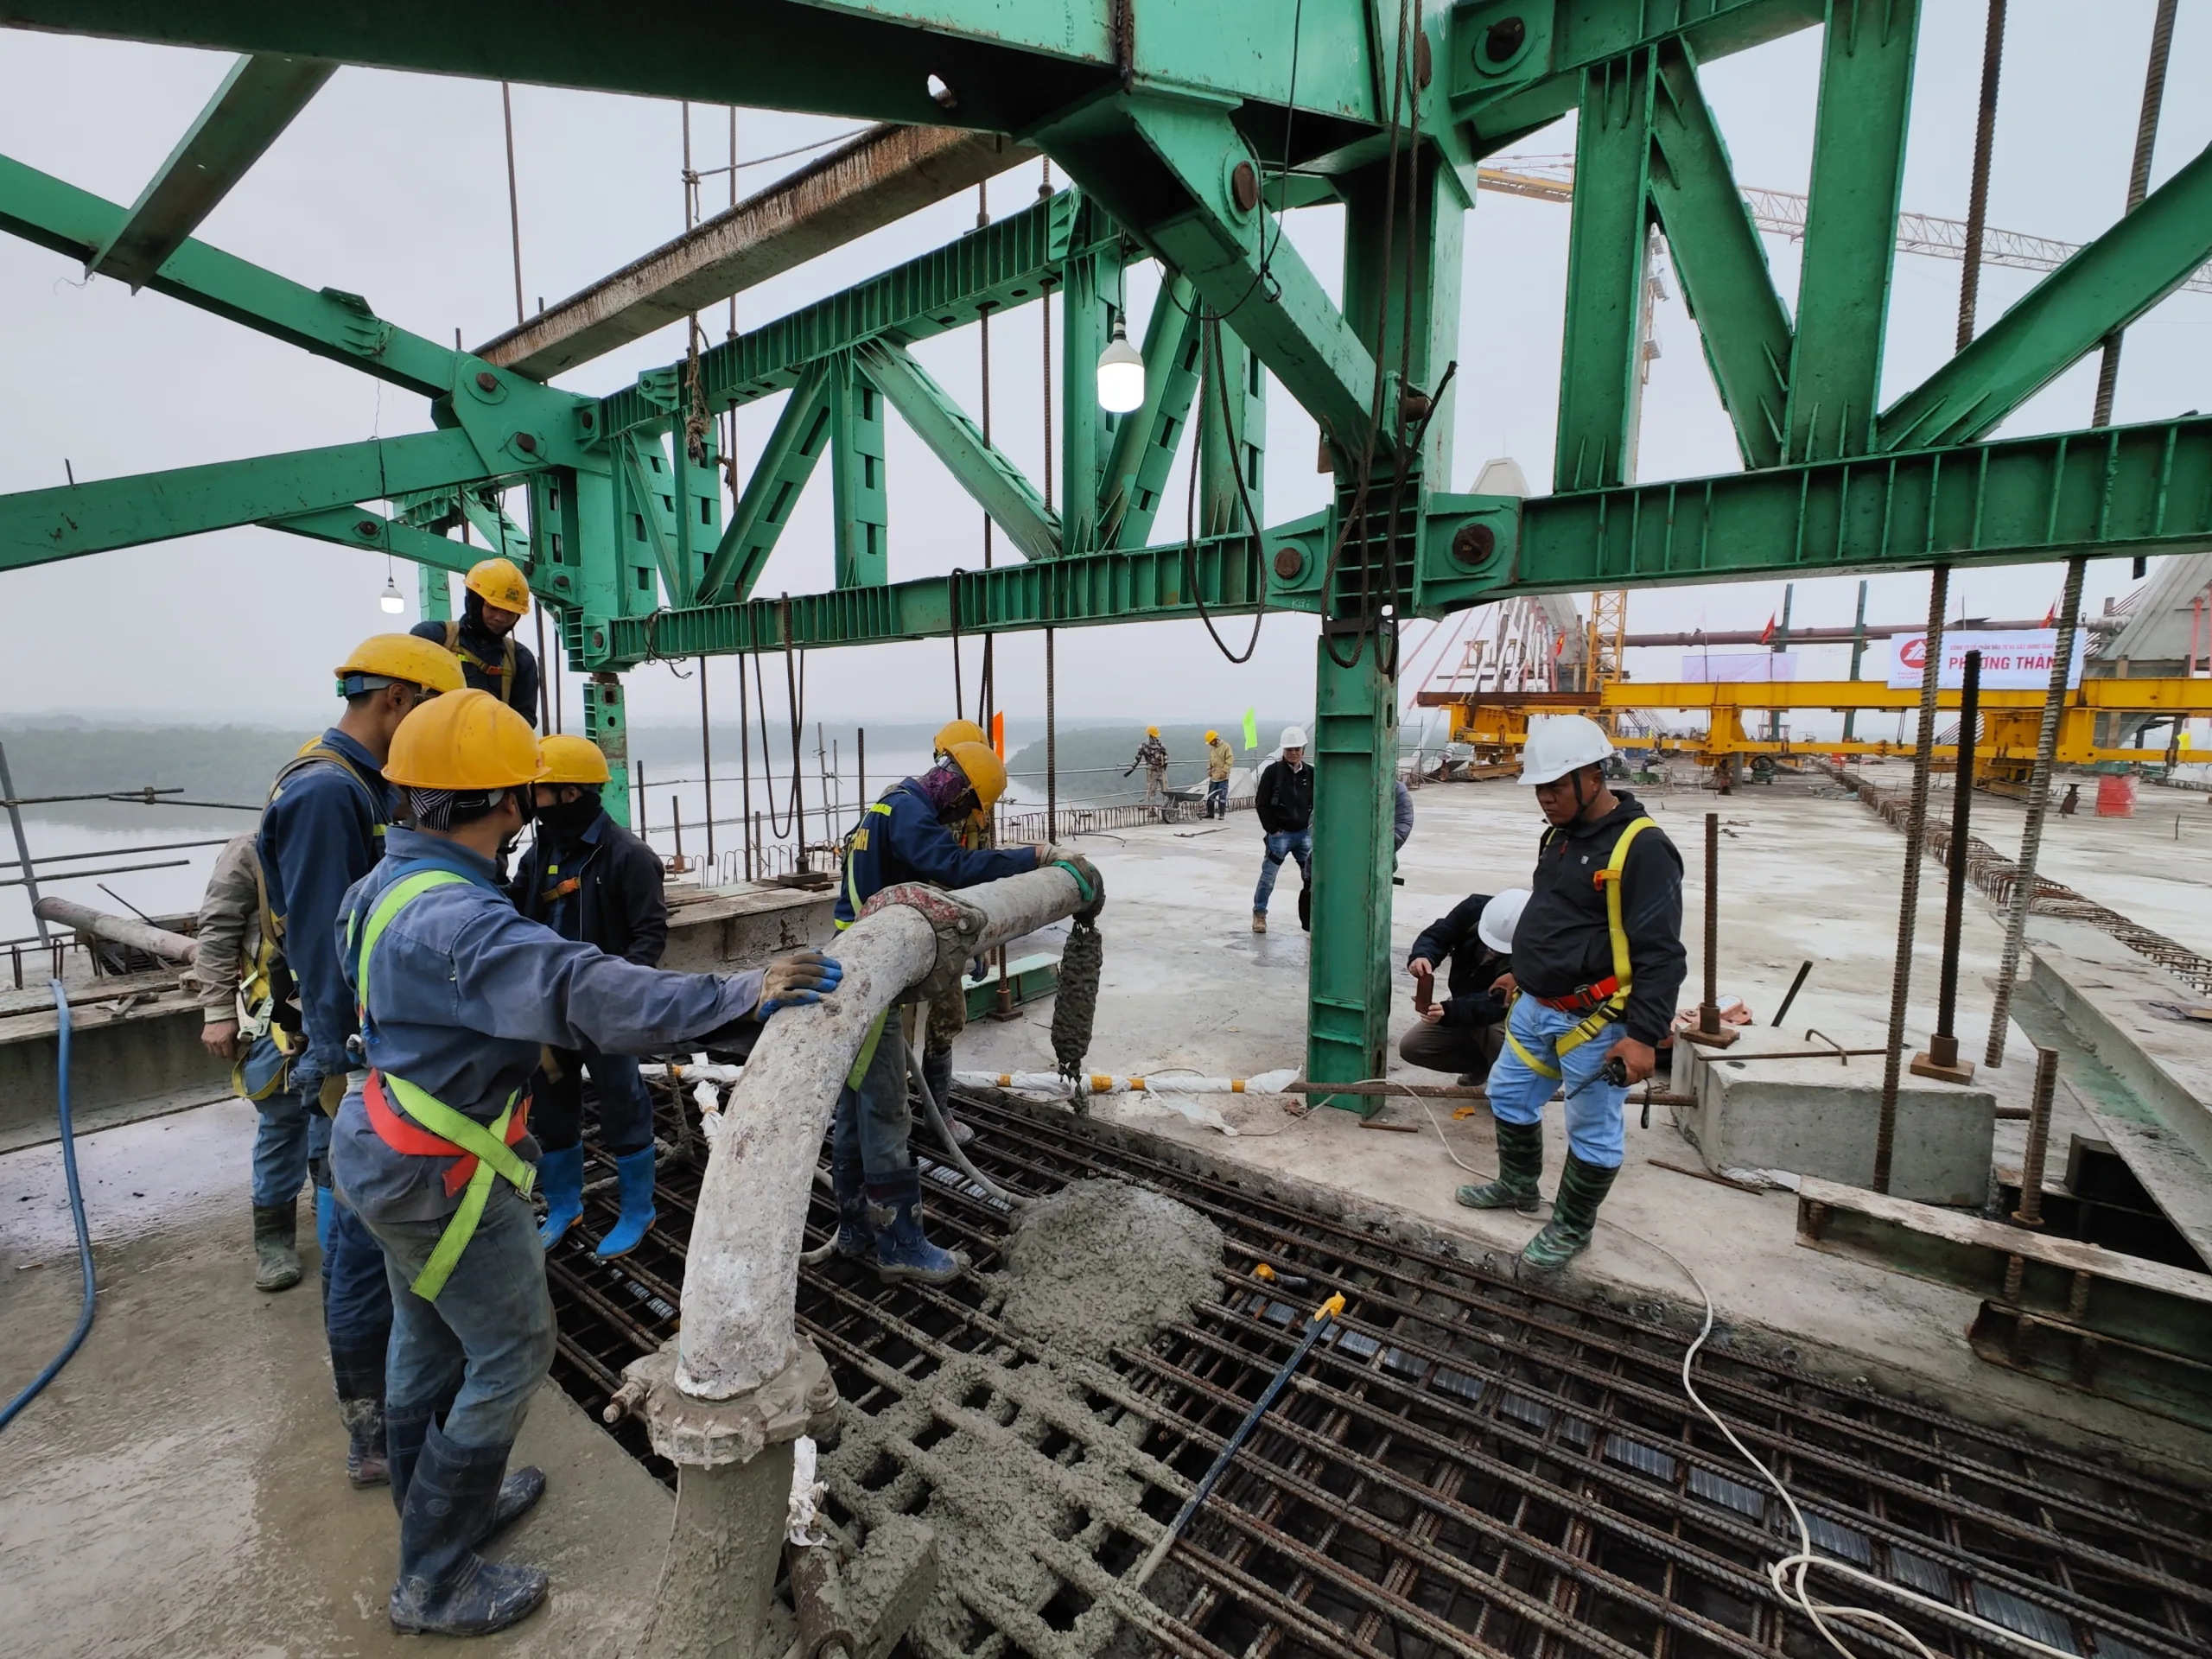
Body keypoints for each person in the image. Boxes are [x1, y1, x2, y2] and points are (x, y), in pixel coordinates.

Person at [330, 688, 839, 1637]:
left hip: (381, 1140)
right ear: (506, 800)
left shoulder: (380, 887)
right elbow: (582, 986)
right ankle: (433, 1576)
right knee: (512, 1353)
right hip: (443, 1175)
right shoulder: (461, 922)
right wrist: (738, 994)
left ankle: (439, 1513)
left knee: (427, 1336)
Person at [260, 632, 465, 1485]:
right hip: (348, 1055)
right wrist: (348, 1068)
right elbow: (320, 948)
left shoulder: (360, 783)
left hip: (368, 1046)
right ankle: (374, 1434)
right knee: (356, 1240)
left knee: (373, 1240)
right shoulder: (324, 794)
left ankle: (396, 1416)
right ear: (397, 701)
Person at [832, 743, 1084, 1282]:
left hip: (854, 963)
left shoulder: (889, 804)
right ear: (960, 789)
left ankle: (854, 1228)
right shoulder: (909, 812)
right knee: (886, 1111)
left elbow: (920, 887)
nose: (962, 817)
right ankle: (900, 1244)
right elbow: (954, 867)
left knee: (855, 1106)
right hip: (871, 972)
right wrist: (1034, 857)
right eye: (968, 806)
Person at [1457, 715, 1685, 1274]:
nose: (1546, 798)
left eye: (1556, 786)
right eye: (1539, 787)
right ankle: (1518, 1185)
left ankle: (1572, 1228)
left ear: (1595, 776)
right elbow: (1553, 916)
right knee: (1508, 1095)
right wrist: (1523, 971)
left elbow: (1662, 954)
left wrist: (1643, 1037)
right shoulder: (1557, 836)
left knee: (1593, 1130)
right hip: (1537, 1007)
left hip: (1596, 1020)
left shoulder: (1643, 849)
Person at [509, 734, 669, 1258]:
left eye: (539, 791)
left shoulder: (629, 857)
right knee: (553, 1107)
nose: (531, 802)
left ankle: (638, 1210)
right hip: (549, 1010)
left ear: (571, 793)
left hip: (605, 1014)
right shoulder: (541, 853)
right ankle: (564, 1205)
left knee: (623, 1102)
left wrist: (619, 993)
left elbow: (649, 936)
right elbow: (515, 915)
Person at [193, 832, 323, 1292]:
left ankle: (330, 1206)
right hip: (278, 1014)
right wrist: (217, 1011)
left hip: (335, 1006)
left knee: (335, 1117)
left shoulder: (351, 830)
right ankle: (273, 1239)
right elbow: (216, 932)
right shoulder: (251, 850)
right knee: (284, 1121)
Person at [1402, 889, 1524, 1086]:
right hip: (1464, 1003)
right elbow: (1437, 936)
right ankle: (1483, 1067)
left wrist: (1450, 1012)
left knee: (1495, 1032)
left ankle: (1510, 1088)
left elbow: (1497, 1003)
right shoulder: (1474, 909)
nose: (1494, 951)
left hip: (1502, 1013)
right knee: (1413, 1047)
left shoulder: (1539, 945)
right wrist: (1422, 956)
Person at [411, 556, 541, 727]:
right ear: (474, 602)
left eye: (510, 613)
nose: (501, 618)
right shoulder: (432, 638)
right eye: (493, 608)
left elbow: (523, 723)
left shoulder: (520, 659)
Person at [1251, 726, 1313, 935]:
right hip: (1280, 835)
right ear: (1283, 751)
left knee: (1312, 879)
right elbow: (1261, 803)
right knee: (1268, 877)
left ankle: (1313, 919)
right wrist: (1272, 829)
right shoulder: (1273, 773)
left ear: (1303, 750)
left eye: (1297, 749)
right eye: (1289, 749)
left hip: (1304, 834)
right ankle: (1259, 914)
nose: (1293, 753)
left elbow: (1319, 802)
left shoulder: (1311, 773)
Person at [1124, 725, 1169, 817]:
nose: (1155, 738)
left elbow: (1166, 755)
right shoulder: (1144, 746)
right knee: (1152, 791)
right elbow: (1137, 758)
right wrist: (1132, 768)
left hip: (1161, 771)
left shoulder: (1160, 744)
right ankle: (1151, 811)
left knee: (1166, 791)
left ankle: (1167, 810)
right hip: (1152, 771)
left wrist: (1165, 762)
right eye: (1154, 736)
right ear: (1150, 735)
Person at [1204, 730, 1234, 819]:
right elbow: (1210, 760)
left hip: (1222, 777)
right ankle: (1210, 813)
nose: (1210, 744)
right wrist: (1209, 768)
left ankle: (1221, 814)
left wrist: (1224, 771)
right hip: (1214, 776)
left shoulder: (1226, 747)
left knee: (1222, 796)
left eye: (1211, 742)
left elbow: (1229, 760)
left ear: (1215, 739)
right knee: (1211, 795)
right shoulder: (1212, 749)